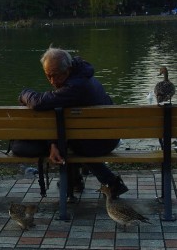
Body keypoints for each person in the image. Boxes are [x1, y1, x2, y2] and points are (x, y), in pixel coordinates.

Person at [15, 46, 128, 199]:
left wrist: (23, 93)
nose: (52, 81)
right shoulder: (83, 76)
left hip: (97, 142)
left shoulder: (75, 87)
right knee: (68, 136)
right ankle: (76, 181)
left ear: (68, 69)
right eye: (48, 76)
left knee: (65, 142)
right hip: (106, 135)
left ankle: (82, 182)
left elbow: (38, 103)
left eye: (56, 76)